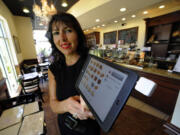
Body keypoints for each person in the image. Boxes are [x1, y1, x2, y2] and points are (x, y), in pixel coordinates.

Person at [47, 12, 100, 135]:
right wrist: (66, 105)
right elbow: (53, 104)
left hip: (88, 130)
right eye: (56, 33)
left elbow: (103, 110)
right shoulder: (53, 69)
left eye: (68, 30)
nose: (62, 38)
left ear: (78, 34)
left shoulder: (92, 65)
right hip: (65, 126)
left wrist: (91, 114)